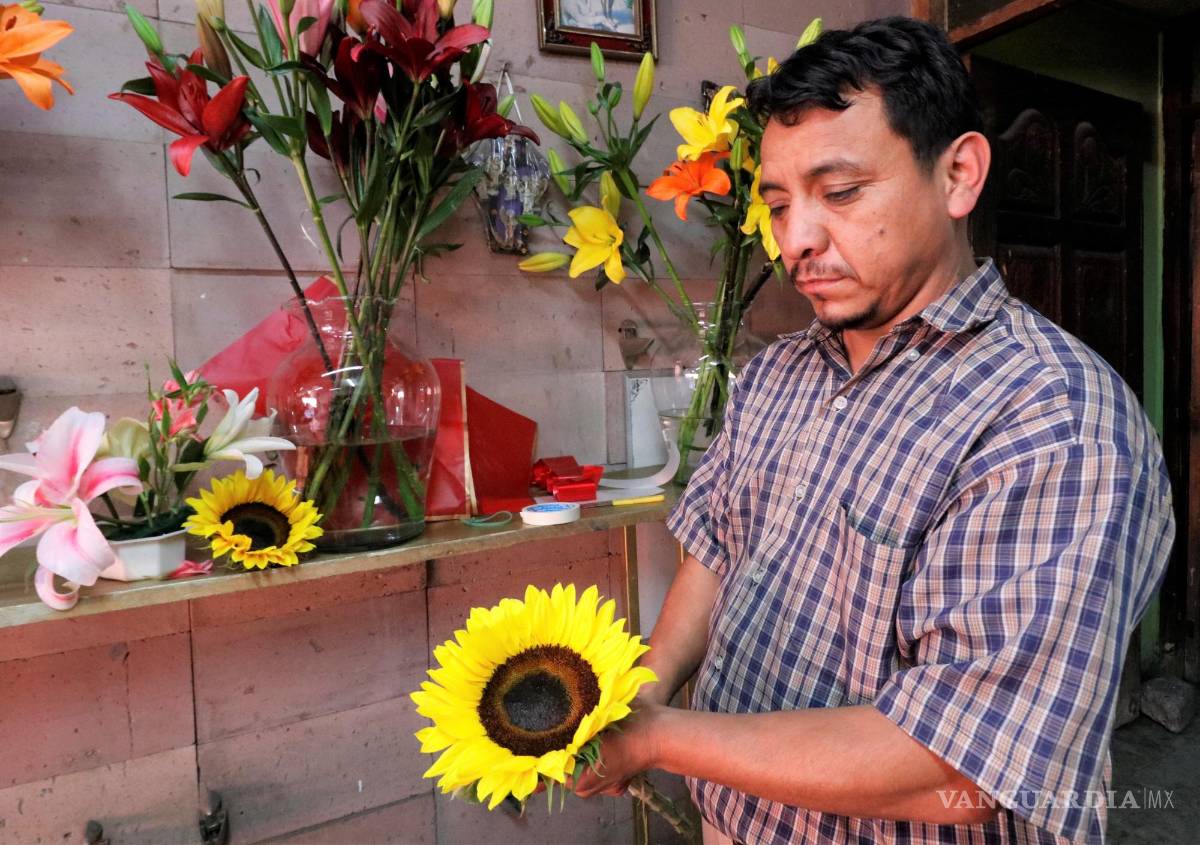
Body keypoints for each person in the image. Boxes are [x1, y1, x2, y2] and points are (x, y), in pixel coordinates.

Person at [571, 15, 1175, 845]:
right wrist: (643, 689)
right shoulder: (780, 372)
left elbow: (958, 764)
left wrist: (659, 737)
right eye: (778, 204)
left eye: (841, 192)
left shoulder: (1054, 419)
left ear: (959, 174)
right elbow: (714, 550)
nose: (797, 240)